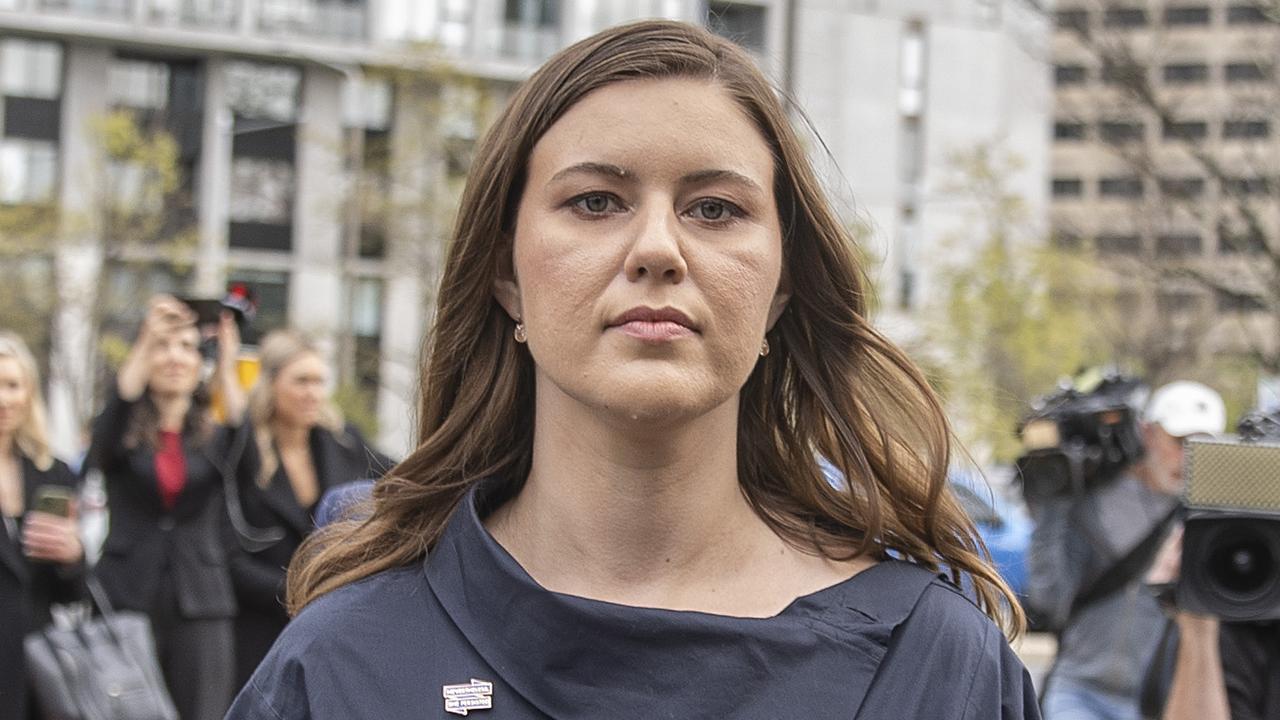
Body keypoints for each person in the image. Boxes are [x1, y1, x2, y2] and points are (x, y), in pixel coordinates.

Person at [228, 20, 1037, 719]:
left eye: (714, 209)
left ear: (783, 287)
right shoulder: (345, 662)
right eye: (596, 201)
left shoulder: (936, 666)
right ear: (505, 273)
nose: (657, 248)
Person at [87, 295, 246, 720]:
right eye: (163, 347)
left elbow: (244, 439)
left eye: (187, 347)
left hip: (201, 598)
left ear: (201, 362)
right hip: (127, 593)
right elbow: (107, 430)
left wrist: (228, 362)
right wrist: (147, 338)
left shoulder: (214, 436)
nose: (174, 358)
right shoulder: (120, 431)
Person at [1029, 380, 1226, 720]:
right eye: (1179, 441)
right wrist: (1052, 507)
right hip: (1078, 692)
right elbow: (1048, 598)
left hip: (1153, 703)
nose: (1188, 457)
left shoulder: (1209, 522)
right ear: (1147, 432)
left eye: (1202, 446)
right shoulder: (1094, 498)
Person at [230, 330, 392, 687]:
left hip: (332, 626)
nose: (313, 393)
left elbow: (407, 479)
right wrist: (304, 589)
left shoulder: (343, 442)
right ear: (271, 383)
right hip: (258, 629)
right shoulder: (241, 451)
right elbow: (231, 559)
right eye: (301, 381)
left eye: (320, 381)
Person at [0, 332, 83, 720]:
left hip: (36, 663)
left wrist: (72, 557)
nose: (3, 399)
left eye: (12, 385)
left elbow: (70, 592)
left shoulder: (54, 473)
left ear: (29, 392)